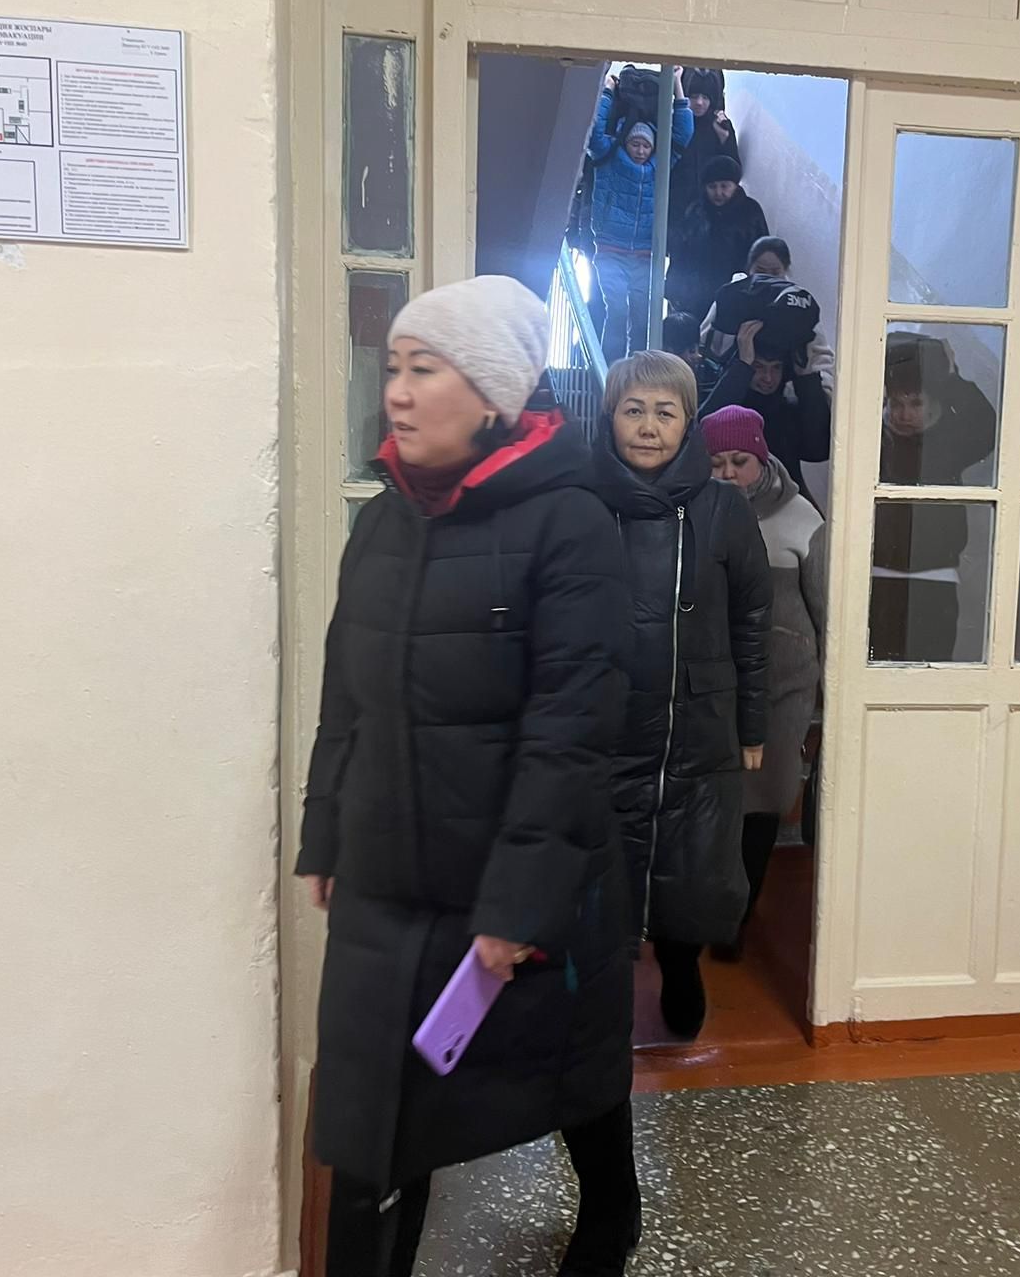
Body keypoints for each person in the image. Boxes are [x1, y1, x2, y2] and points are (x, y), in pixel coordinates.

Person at [298, 275, 640, 1277]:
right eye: (394, 368)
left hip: (509, 874)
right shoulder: (382, 522)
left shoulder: (570, 523)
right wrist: (327, 831)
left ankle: (612, 1208)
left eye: (425, 370)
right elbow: (346, 693)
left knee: (562, 1064)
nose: (396, 393)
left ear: (491, 393)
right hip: (386, 874)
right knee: (367, 1117)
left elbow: (570, 728)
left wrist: (519, 902)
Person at [592, 350, 772, 1040]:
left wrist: (752, 724)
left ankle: (680, 963)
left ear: (688, 423)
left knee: (691, 864)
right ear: (609, 417)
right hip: (603, 726)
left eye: (665, 412)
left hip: (697, 725)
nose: (648, 426)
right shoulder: (581, 503)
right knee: (603, 863)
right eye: (633, 410)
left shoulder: (724, 508)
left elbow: (752, 620)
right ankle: (605, 981)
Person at [701, 407, 825, 961]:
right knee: (716, 803)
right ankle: (714, 907)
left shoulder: (801, 518)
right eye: (716, 462)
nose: (728, 472)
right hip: (715, 684)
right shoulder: (694, 511)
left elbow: (826, 606)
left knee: (764, 801)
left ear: (762, 457)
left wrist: (830, 683)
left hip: (782, 687)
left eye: (740, 460)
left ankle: (739, 919)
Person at [871, 331, 998, 663]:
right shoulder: (875, 442)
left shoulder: (950, 445)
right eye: (897, 404)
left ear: (933, 404)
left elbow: (986, 427)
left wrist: (951, 378)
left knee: (931, 667)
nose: (905, 414)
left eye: (915, 404)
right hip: (877, 575)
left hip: (935, 576)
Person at [589, 68, 694, 363]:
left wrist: (677, 84)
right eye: (635, 144)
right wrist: (607, 91)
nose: (640, 150)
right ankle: (610, 370)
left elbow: (683, 133)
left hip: (645, 254)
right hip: (610, 248)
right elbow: (594, 132)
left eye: (646, 145)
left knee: (641, 316)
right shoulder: (609, 157)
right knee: (616, 310)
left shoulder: (658, 166)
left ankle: (636, 370)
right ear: (626, 142)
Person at [701, 316, 831, 498]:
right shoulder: (722, 401)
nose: (768, 378)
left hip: (786, 504)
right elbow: (700, 435)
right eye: (759, 367)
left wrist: (807, 378)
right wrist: (742, 366)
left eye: (776, 367)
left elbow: (818, 450)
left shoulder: (788, 410)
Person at [702, 236, 835, 401]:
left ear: (785, 271)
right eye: (761, 271)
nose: (768, 278)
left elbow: (822, 361)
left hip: (782, 399)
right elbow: (705, 345)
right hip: (732, 390)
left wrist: (815, 392)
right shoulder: (734, 298)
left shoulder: (798, 307)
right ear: (749, 269)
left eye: (775, 273)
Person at [666, 156, 770, 325]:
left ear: (735, 185)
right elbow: (681, 254)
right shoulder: (696, 211)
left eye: (724, 186)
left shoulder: (750, 212)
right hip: (696, 297)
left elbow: (761, 254)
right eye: (712, 187)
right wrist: (673, 287)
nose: (718, 193)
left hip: (735, 296)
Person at [667, 67, 740, 232]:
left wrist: (725, 140)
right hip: (676, 206)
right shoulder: (673, 123)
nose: (699, 102)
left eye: (705, 97)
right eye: (694, 96)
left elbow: (735, 173)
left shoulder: (721, 126)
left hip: (708, 211)